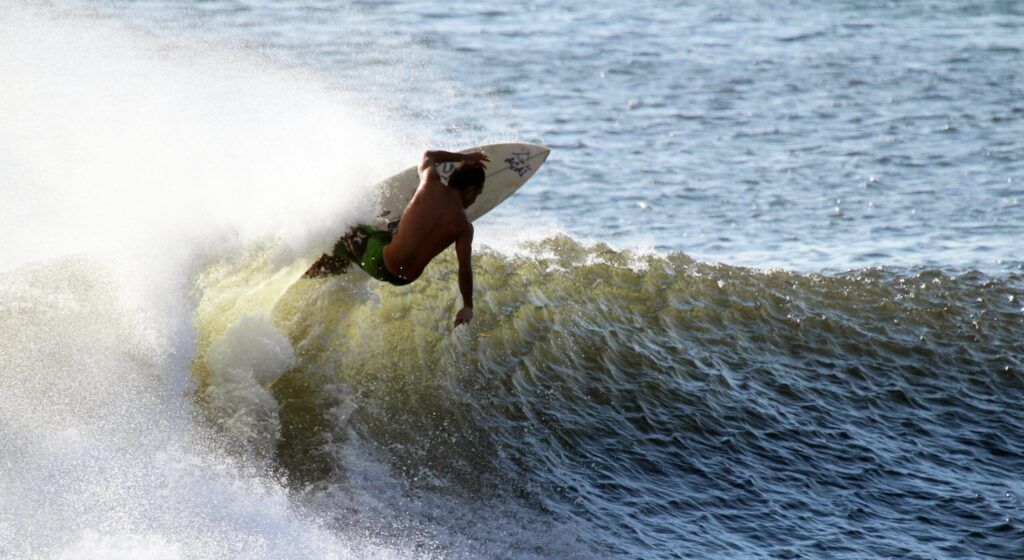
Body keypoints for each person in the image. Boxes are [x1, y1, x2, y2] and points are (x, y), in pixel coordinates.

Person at [305, 150, 490, 327]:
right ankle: (376, 240)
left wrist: (465, 157)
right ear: (470, 191)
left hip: (380, 263)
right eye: (478, 195)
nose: (475, 200)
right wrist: (468, 306)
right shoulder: (464, 227)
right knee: (382, 237)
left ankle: (316, 268)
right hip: (403, 278)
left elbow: (428, 155)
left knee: (342, 227)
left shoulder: (430, 184)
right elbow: (464, 268)